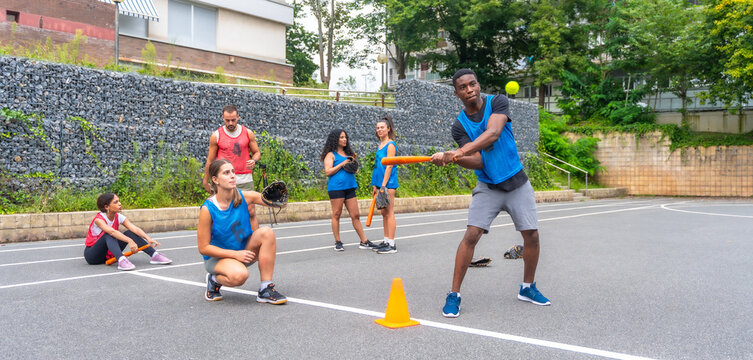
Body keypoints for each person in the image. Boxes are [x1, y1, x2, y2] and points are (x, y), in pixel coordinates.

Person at [431, 69, 550, 318]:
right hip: (488, 186)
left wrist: (459, 151)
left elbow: (493, 133)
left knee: (532, 235)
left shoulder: (497, 101)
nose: (469, 89)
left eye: (473, 84)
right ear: (456, 93)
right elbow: (478, 162)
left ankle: (527, 288)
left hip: (516, 182)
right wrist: (453, 159)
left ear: (478, 84)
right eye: (463, 87)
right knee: (471, 235)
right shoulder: (458, 126)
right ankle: (454, 294)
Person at [198, 158, 287, 304]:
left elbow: (274, 203)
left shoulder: (245, 196)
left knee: (267, 233)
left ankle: (265, 288)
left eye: (233, 171)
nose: (232, 175)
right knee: (239, 276)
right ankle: (213, 280)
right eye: (226, 173)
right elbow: (203, 248)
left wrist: (280, 201)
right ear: (215, 179)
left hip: (243, 251)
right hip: (218, 258)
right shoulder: (208, 209)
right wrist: (235, 254)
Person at [202, 105, 261, 230]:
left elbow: (257, 152)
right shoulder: (216, 135)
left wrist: (254, 160)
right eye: (227, 120)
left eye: (233, 120)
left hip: (244, 177)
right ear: (223, 118)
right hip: (224, 179)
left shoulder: (247, 133)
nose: (230, 123)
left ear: (238, 117)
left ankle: (255, 241)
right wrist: (205, 180)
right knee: (224, 212)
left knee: (250, 211)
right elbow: (210, 160)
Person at [321, 129, 380, 252]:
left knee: (356, 215)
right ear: (335, 139)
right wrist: (342, 164)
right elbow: (328, 172)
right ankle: (338, 242)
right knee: (336, 214)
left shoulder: (348, 153)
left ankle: (364, 241)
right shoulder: (330, 154)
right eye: (341, 137)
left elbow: (353, 169)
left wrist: (353, 168)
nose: (344, 139)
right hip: (336, 188)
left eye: (345, 137)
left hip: (350, 186)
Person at [84, 193, 172, 270]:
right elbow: (112, 232)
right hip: (93, 255)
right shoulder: (99, 219)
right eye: (116, 202)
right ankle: (121, 260)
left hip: (109, 254)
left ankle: (154, 255)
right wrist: (130, 241)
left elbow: (134, 229)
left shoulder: (119, 216)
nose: (120, 204)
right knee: (109, 235)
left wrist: (148, 238)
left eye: (119, 201)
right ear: (107, 207)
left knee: (130, 233)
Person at [370, 116, 398, 254]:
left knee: (389, 212)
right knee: (383, 213)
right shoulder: (380, 145)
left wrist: (383, 186)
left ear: (388, 129)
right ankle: (386, 240)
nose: (379, 129)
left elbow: (389, 167)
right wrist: (375, 185)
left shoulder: (391, 145)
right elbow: (377, 167)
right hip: (379, 184)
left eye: (382, 127)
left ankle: (391, 244)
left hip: (388, 184)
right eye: (377, 128)